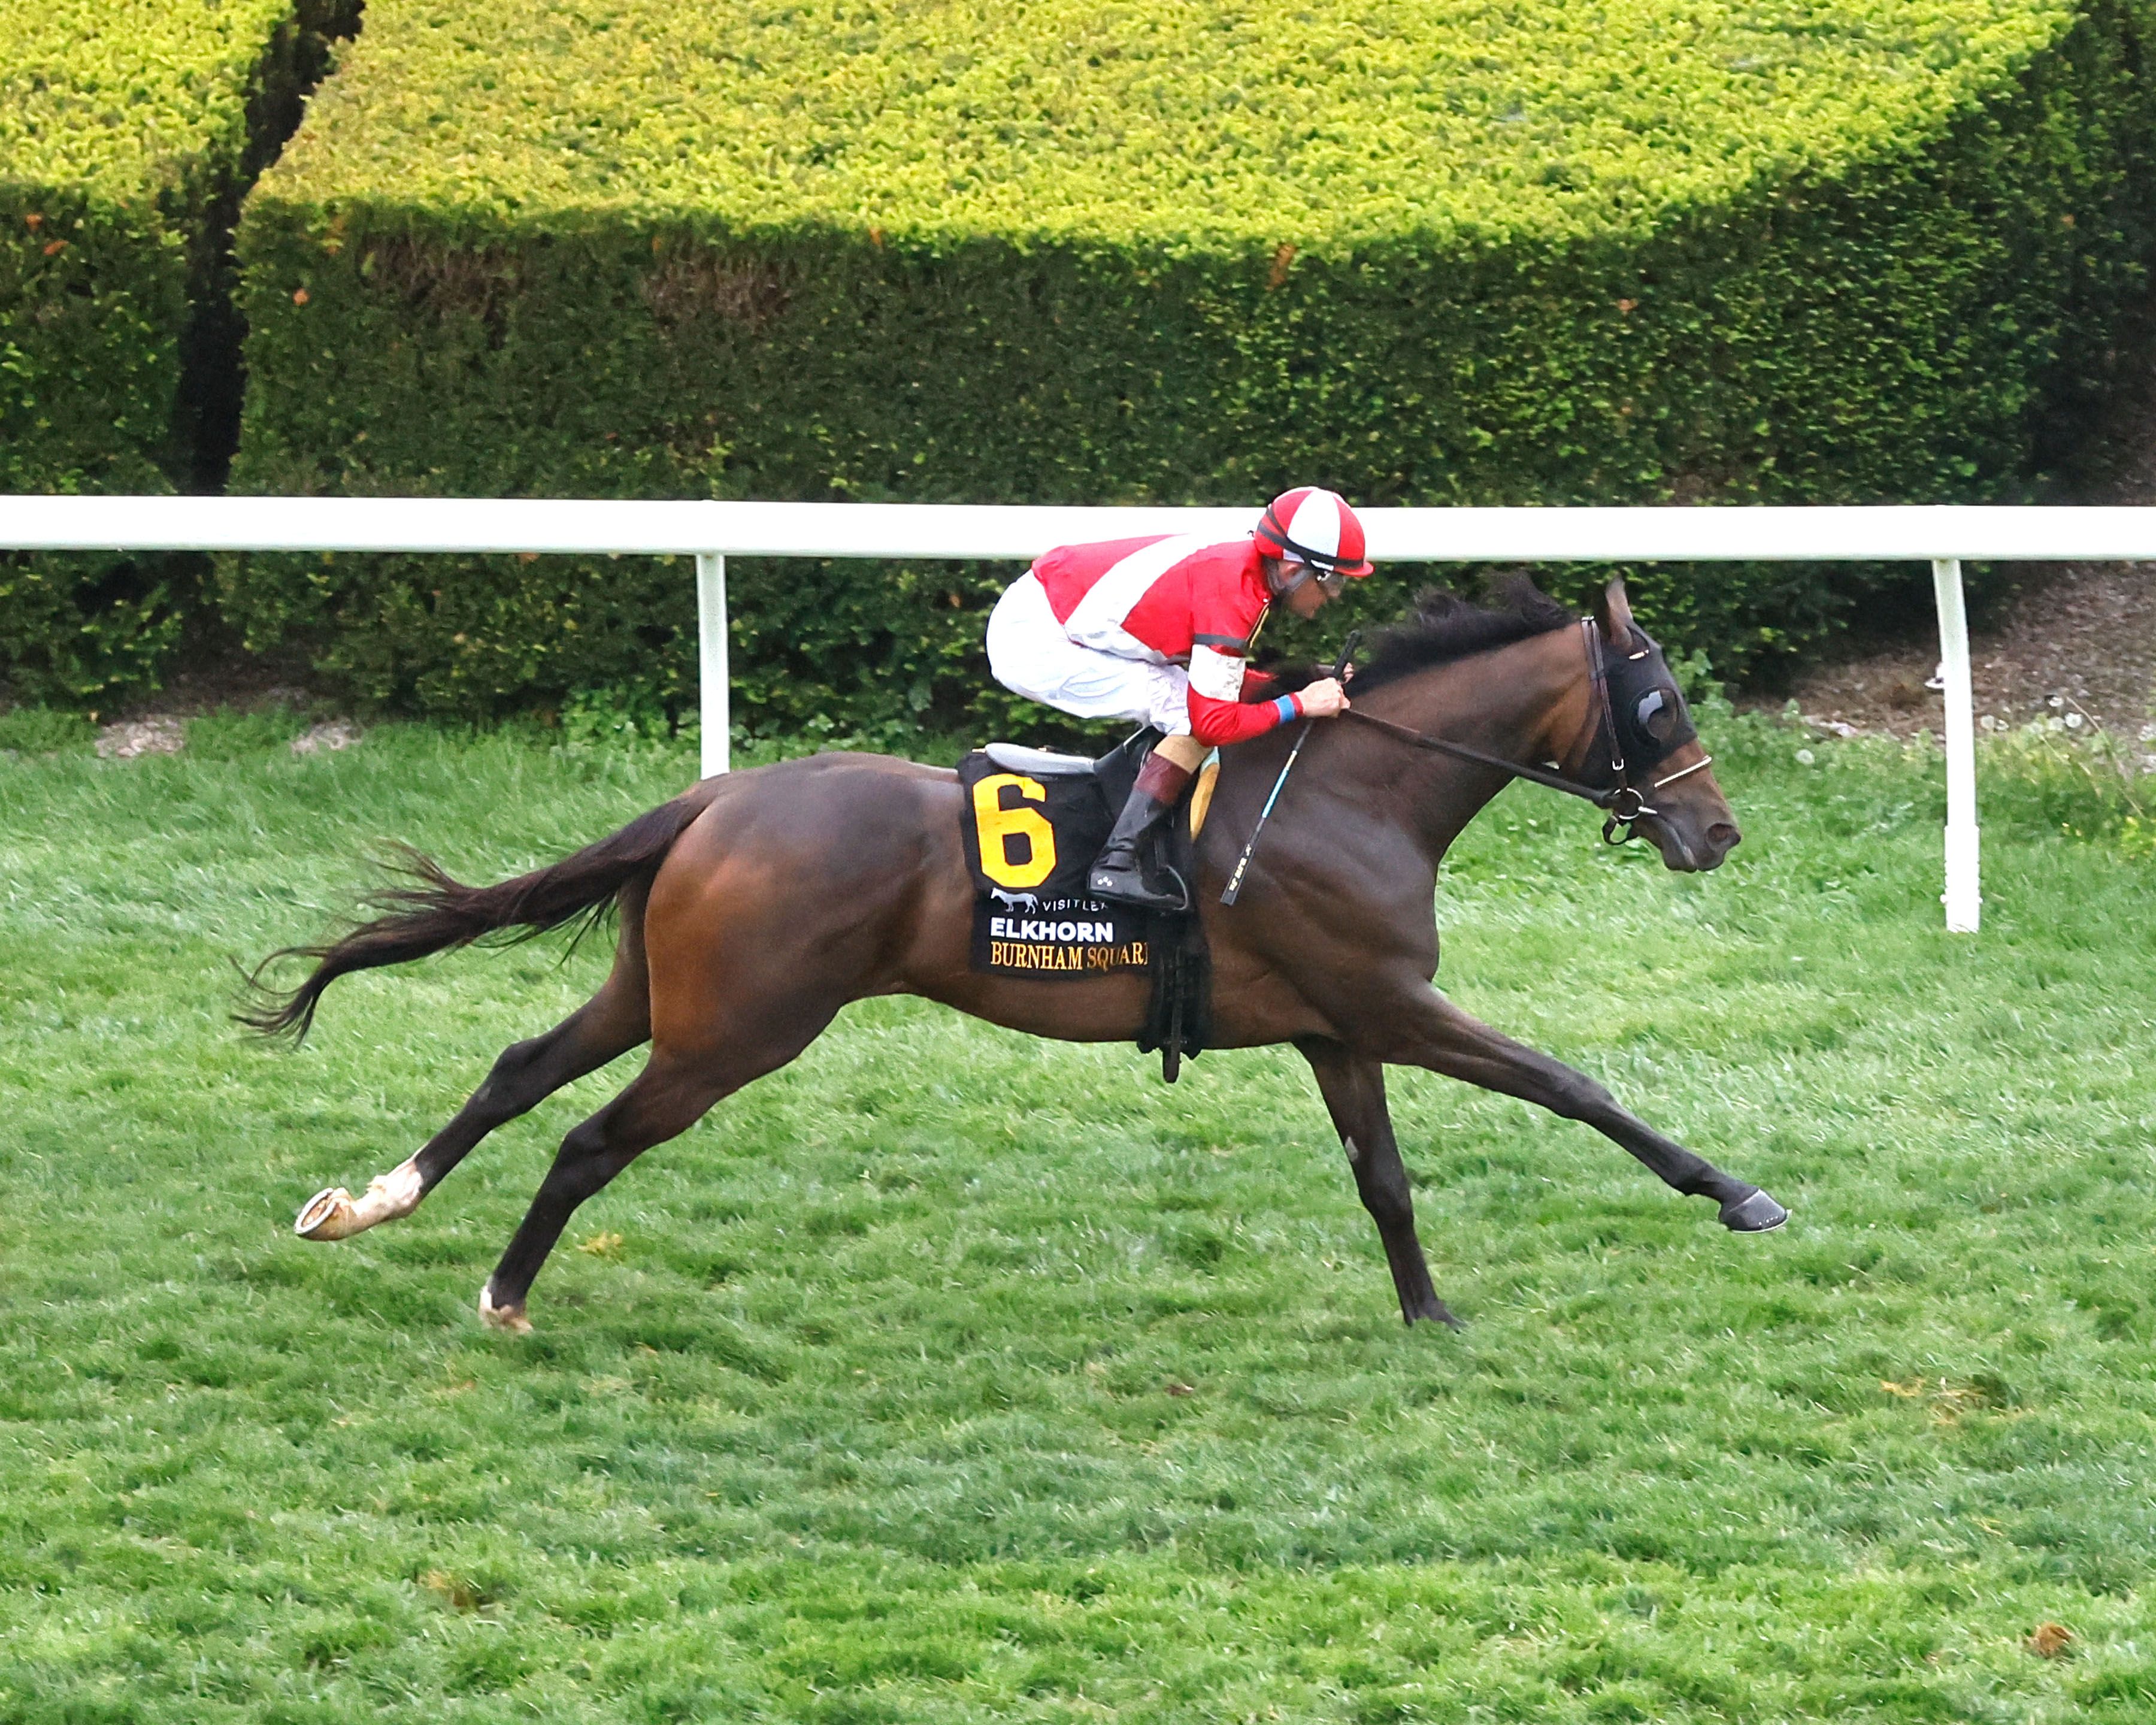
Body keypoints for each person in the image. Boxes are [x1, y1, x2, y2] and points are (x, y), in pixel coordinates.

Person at [985, 486, 1371, 909]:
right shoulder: (1235, 595)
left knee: (1182, 700)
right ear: (1293, 567)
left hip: (1048, 609)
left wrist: (1299, 684)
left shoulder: (1245, 573)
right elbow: (1213, 722)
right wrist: (1301, 704)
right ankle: (1116, 864)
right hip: (1035, 639)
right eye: (1330, 580)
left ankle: (1128, 812)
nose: (1334, 595)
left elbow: (1219, 683)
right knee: (1187, 718)